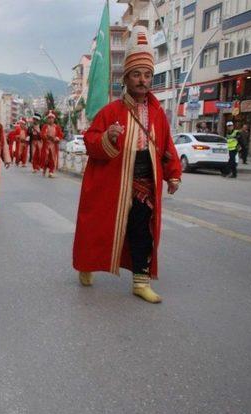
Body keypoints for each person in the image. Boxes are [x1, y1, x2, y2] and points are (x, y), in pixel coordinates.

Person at [72, 26, 182, 304]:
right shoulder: (110, 111)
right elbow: (90, 140)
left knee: (141, 231)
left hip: (145, 183)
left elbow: (167, 147)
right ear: (127, 78)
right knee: (98, 227)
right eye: (137, 74)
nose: (143, 80)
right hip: (112, 180)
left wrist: (173, 175)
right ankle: (86, 264)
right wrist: (107, 137)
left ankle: (140, 282)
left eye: (147, 75)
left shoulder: (158, 113)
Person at [41, 110, 63, 178]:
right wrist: (45, 136)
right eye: (49, 118)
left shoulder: (57, 127)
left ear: (54, 119)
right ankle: (44, 168)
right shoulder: (45, 126)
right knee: (45, 158)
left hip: (54, 146)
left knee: (53, 159)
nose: (50, 119)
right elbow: (42, 134)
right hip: (46, 145)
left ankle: (51, 172)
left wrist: (57, 138)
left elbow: (60, 135)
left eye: (52, 118)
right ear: (47, 119)